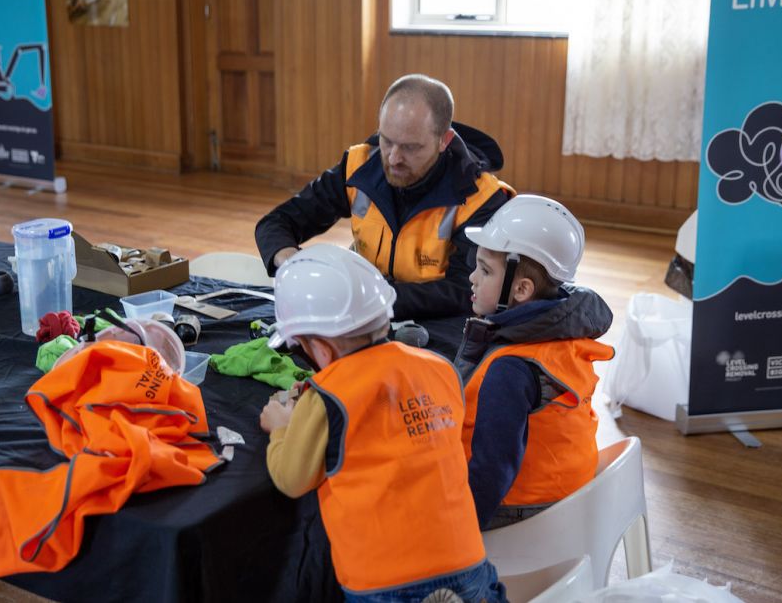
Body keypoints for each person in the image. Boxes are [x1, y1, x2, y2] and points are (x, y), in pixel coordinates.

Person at [259, 244, 505, 603]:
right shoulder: (440, 368)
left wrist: (283, 426)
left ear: (321, 349)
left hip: (384, 582)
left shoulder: (326, 394)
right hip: (469, 563)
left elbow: (292, 479)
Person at [255, 74, 512, 319]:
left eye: (410, 148)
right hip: (363, 315)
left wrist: (370, 297)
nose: (393, 158)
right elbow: (275, 223)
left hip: (436, 326)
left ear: (444, 140)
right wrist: (292, 264)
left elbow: (464, 292)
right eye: (387, 140)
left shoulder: (482, 198)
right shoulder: (359, 164)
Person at [455, 195, 615, 530]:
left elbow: (492, 471)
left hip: (522, 510)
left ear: (522, 289)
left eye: (485, 270)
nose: (472, 278)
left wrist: (456, 536)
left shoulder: (511, 368)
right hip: (568, 496)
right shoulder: (564, 330)